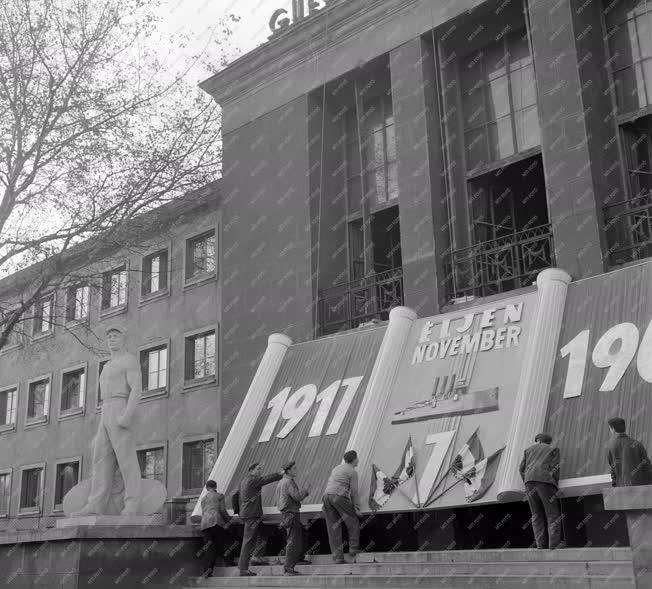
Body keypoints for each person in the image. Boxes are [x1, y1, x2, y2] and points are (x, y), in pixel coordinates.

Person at [72, 325, 142, 516]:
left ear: (123, 339)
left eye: (115, 336)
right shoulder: (107, 365)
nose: (111, 339)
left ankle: (133, 503)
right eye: (109, 336)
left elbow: (136, 389)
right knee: (100, 458)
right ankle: (96, 504)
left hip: (120, 405)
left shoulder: (129, 360)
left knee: (126, 459)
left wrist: (127, 414)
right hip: (106, 409)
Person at [237, 462, 283, 577]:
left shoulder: (243, 481)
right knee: (248, 542)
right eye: (258, 469)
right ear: (251, 470)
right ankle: (243, 569)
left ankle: (252, 560)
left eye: (260, 469)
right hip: (251, 515)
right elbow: (266, 479)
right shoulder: (252, 480)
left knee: (257, 536)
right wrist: (280, 473)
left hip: (248, 514)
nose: (260, 471)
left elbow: (236, 497)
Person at [519, 433, 561, 550]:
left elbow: (521, 469)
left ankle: (540, 545)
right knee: (552, 514)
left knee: (536, 514)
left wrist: (527, 480)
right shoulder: (553, 449)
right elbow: (555, 468)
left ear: (538, 440)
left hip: (529, 483)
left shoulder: (528, 450)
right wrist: (555, 484)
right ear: (548, 442)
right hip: (545, 482)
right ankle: (554, 544)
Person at [322, 450, 362, 564]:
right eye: (357, 458)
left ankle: (338, 557)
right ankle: (354, 549)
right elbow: (354, 492)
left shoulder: (336, 468)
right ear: (354, 459)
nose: (358, 460)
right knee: (352, 520)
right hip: (339, 496)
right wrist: (356, 508)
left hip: (326, 497)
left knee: (333, 527)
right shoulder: (353, 472)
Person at [277, 461, 311, 576]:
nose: (297, 470)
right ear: (289, 471)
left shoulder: (281, 482)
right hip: (292, 513)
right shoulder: (289, 482)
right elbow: (297, 497)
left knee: (295, 539)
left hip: (286, 514)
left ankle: (292, 565)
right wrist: (305, 490)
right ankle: (288, 569)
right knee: (293, 541)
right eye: (295, 468)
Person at [199, 480, 238, 577]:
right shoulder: (220, 496)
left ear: (207, 488)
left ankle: (207, 572)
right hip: (216, 523)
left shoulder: (203, 499)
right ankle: (229, 562)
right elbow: (222, 511)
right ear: (215, 487)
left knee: (209, 548)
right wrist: (230, 521)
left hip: (205, 525)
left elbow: (204, 512)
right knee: (226, 542)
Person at [607, 417, 652, 487]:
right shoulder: (637, 444)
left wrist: (614, 486)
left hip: (622, 489)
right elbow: (647, 467)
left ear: (613, 429)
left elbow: (613, 470)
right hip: (640, 488)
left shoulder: (611, 447)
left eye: (609, 428)